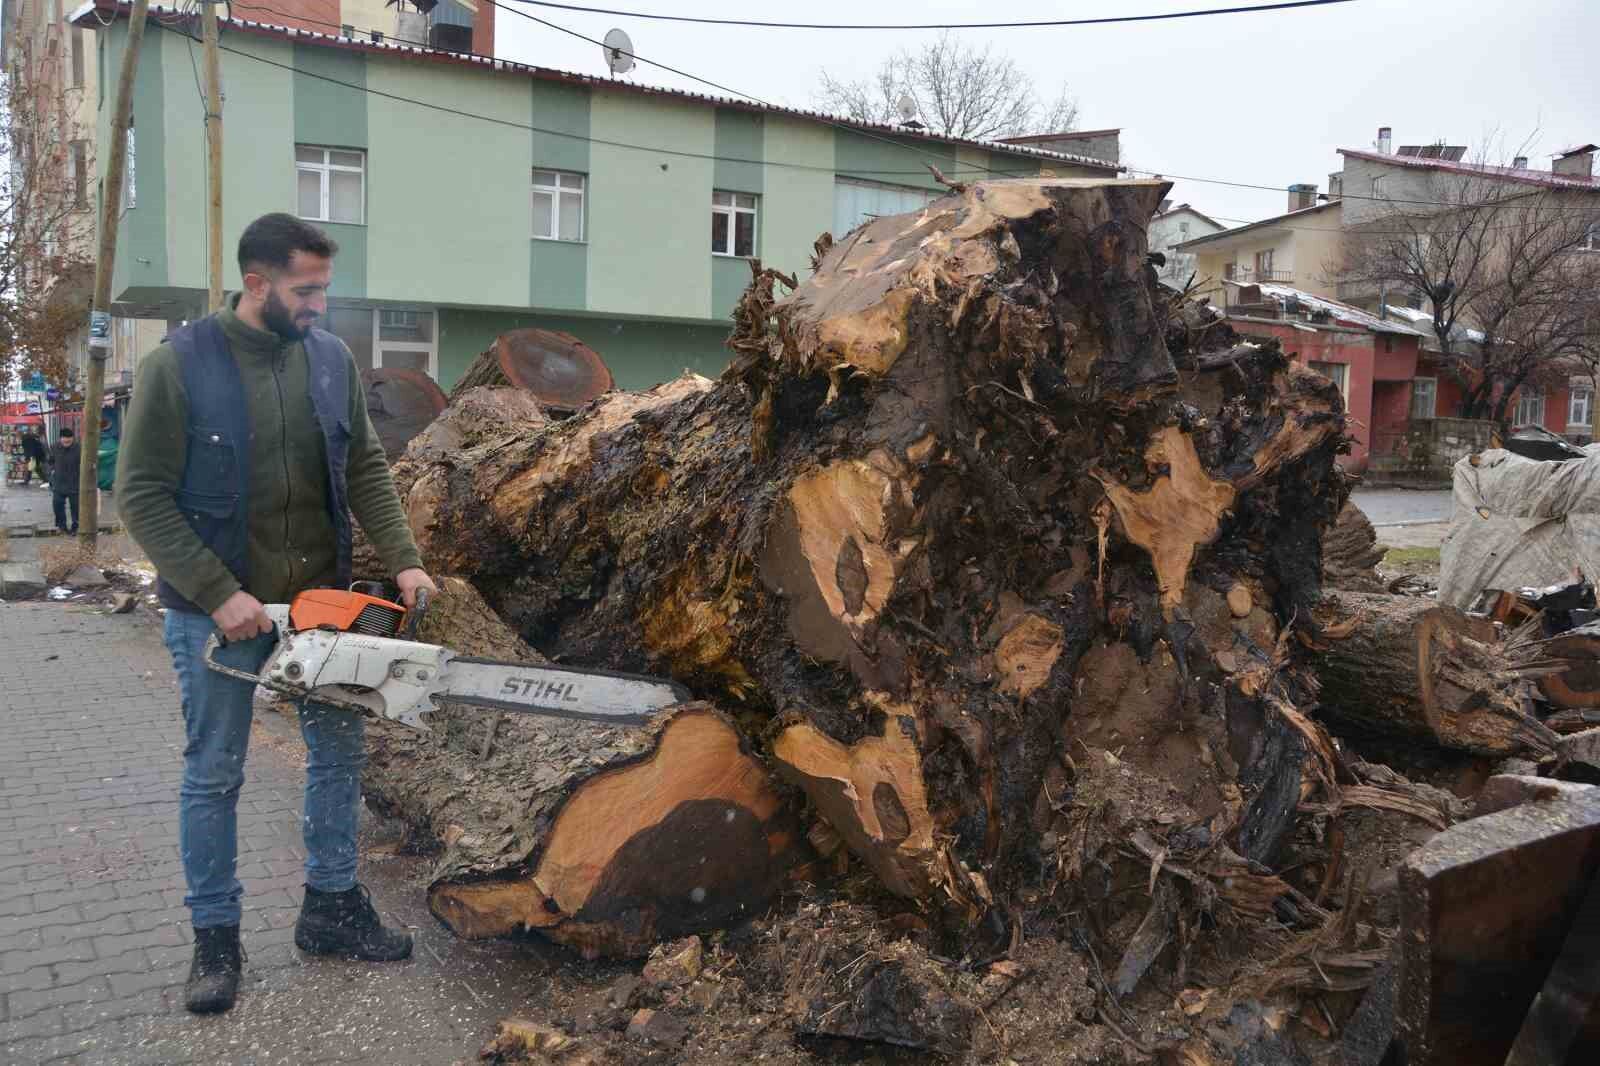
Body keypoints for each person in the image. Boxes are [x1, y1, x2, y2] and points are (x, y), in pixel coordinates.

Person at [117, 213, 438, 1015]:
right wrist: (215, 590)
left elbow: (363, 463)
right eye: (306, 289)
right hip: (214, 612)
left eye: (325, 288)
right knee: (215, 771)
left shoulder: (327, 361)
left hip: (319, 607)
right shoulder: (178, 365)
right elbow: (142, 494)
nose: (320, 306)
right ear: (256, 282)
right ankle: (215, 939)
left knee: (338, 758)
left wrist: (402, 556)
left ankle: (331, 906)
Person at [50, 427, 80, 532]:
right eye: (64, 438)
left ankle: (76, 526)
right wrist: (52, 470)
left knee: (76, 507)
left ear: (73, 438)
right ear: (60, 438)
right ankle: (62, 526)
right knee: (57, 504)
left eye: (69, 438)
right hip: (59, 482)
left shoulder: (79, 448)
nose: (67, 440)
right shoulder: (54, 447)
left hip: (75, 482)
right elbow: (49, 461)